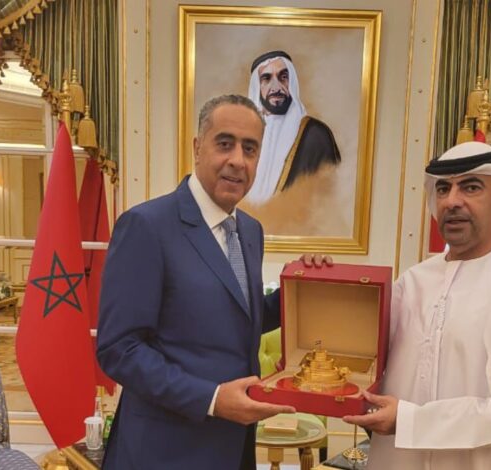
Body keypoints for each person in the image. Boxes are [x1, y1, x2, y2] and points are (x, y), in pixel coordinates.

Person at [97, 95, 334, 469]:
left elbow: (240, 317)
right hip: (164, 452)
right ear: (197, 147)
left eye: (250, 149)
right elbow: (119, 349)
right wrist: (211, 399)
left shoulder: (250, 231)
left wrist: (304, 287)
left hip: (235, 448)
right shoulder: (146, 226)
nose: (238, 160)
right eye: (225, 144)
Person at [343, 142, 491, 469]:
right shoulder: (413, 282)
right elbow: (357, 359)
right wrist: (318, 281)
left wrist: (411, 422)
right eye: (443, 189)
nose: (452, 201)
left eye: (471, 187)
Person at [244, 50, 340, 205]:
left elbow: (329, 198)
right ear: (257, 87)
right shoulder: (244, 136)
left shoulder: (316, 134)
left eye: (283, 77)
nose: (276, 87)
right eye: (266, 79)